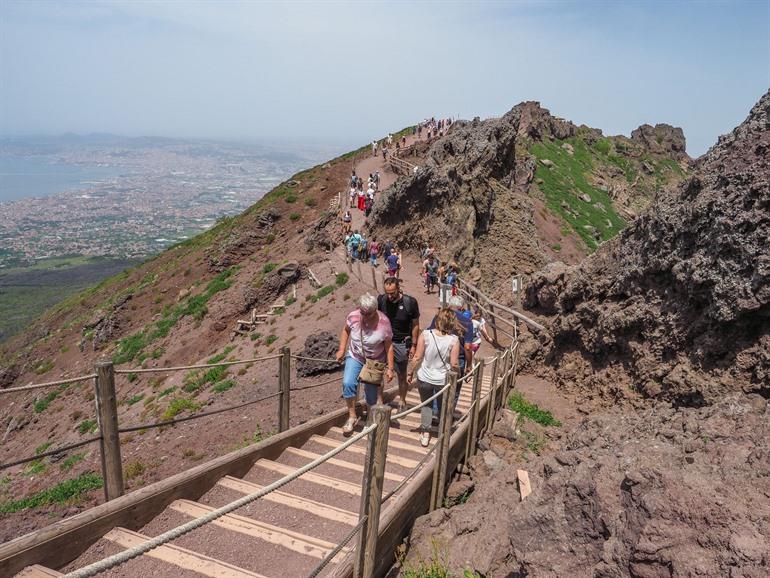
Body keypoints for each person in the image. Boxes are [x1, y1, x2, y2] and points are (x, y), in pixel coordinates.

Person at [336, 294, 395, 434]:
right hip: (355, 355)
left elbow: (389, 346)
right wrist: (341, 349)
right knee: (348, 383)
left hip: (374, 360)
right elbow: (346, 330)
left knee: (370, 392)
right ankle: (352, 416)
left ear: (375, 310)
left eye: (368, 313)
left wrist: (390, 368)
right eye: (363, 312)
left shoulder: (384, 324)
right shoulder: (353, 317)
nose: (365, 316)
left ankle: (370, 417)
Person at [408, 308, 460, 447]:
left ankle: (425, 433)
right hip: (443, 379)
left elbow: (417, 357)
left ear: (438, 320)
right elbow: (454, 363)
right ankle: (443, 432)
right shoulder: (454, 340)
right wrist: (459, 373)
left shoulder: (425, 334)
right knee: (443, 406)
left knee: (426, 405)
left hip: (424, 377)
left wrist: (410, 373)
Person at [378, 277, 420, 410]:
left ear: (398, 288)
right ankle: (379, 402)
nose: (390, 296)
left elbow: (415, 324)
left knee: (401, 374)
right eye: (387, 292)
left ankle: (402, 400)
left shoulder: (410, 302)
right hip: (383, 342)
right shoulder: (381, 300)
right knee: (378, 372)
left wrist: (414, 345)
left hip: (401, 343)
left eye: (393, 293)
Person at [428, 295, 473, 389]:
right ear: (461, 307)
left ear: (449, 304)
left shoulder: (439, 317)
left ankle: (435, 403)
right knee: (454, 390)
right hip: (457, 358)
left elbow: (430, 333)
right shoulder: (467, 322)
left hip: (438, 353)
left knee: (437, 386)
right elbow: (467, 347)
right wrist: (469, 366)